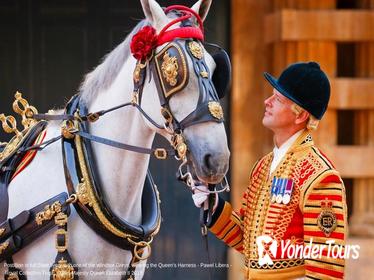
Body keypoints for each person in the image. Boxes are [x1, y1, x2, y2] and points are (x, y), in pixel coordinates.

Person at [192, 62, 347, 279]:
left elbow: (325, 268)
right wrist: (214, 205)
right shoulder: (263, 167)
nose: (267, 102)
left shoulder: (320, 176)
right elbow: (247, 242)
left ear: (300, 115)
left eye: (278, 99)